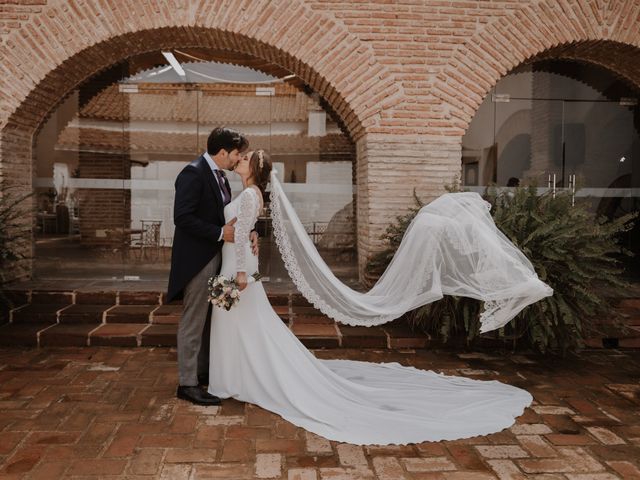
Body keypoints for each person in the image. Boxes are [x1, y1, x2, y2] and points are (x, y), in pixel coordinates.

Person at [206, 149, 551, 445]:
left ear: (255, 169)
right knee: (246, 325)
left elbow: (239, 234)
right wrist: (245, 243)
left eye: (247, 157)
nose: (241, 158)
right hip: (237, 263)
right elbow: (245, 230)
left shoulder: (250, 195)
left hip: (237, 269)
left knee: (242, 322)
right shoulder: (248, 193)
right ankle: (240, 377)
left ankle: (239, 379)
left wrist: (239, 274)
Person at [167, 127, 258, 407]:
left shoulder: (220, 177)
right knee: (194, 319)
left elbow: (229, 217)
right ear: (222, 153)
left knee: (208, 319)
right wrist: (220, 234)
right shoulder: (193, 173)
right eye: (235, 154)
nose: (237, 159)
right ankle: (187, 383)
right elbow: (182, 217)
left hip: (217, 257)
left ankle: (202, 371)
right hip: (197, 259)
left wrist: (249, 232)